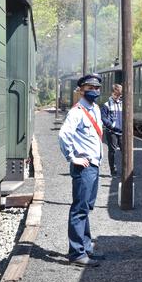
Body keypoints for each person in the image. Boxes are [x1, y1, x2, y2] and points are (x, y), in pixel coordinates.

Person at [58, 74, 105, 267]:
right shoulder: (77, 112)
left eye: (97, 87)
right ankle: (76, 253)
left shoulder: (95, 109)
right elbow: (63, 135)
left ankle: (86, 248)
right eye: (89, 87)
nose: (94, 90)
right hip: (83, 167)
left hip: (94, 165)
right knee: (79, 209)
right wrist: (72, 157)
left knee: (86, 208)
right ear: (81, 89)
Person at [101, 84, 123, 176]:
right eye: (116, 95)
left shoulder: (123, 104)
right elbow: (103, 118)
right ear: (112, 93)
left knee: (125, 151)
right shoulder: (106, 105)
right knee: (112, 151)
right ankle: (113, 170)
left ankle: (127, 170)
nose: (117, 97)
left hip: (122, 131)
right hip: (111, 131)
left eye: (119, 95)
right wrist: (112, 126)